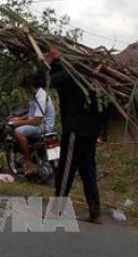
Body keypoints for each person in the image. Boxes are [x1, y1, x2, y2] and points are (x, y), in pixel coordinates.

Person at [42, 48, 103, 224]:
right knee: (88, 170)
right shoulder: (92, 79)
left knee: (66, 169)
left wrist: (48, 59)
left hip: (75, 130)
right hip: (90, 132)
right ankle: (95, 212)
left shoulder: (68, 76)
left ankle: (56, 211)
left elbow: (43, 80)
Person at [9, 76, 56, 176]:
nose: (25, 91)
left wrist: (19, 123)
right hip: (42, 124)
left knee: (16, 131)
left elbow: (36, 121)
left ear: (30, 87)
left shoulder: (41, 99)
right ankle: (30, 149)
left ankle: (28, 161)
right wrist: (20, 119)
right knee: (18, 126)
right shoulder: (37, 95)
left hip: (44, 127)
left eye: (25, 89)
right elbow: (33, 114)